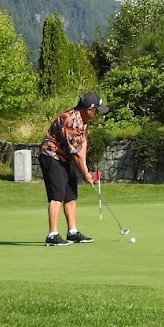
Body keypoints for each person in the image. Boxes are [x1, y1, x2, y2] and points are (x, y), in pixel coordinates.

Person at [39, 92, 108, 246]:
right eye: (96, 110)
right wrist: (84, 173)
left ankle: (72, 232)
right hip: (51, 156)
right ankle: (52, 235)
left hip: (64, 157)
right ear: (89, 109)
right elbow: (75, 153)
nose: (96, 113)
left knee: (70, 194)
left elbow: (81, 145)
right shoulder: (71, 121)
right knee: (57, 195)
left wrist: (85, 169)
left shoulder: (83, 119)